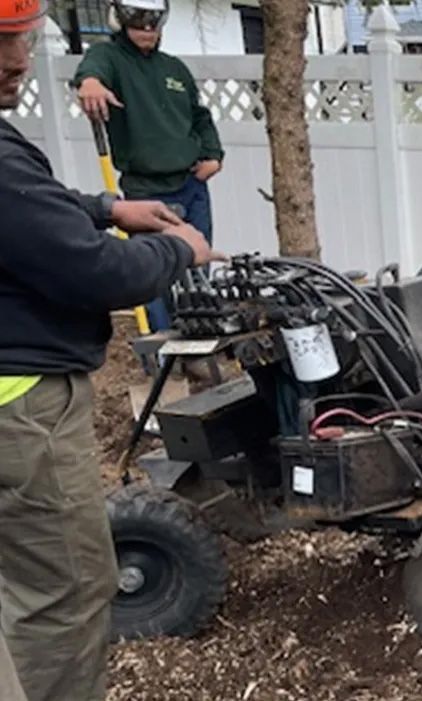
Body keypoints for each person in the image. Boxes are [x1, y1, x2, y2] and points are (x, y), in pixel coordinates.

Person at [0, 2, 221, 700]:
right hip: (21, 407)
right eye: (5, 42)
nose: (19, 59)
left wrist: (104, 209)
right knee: (65, 589)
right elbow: (97, 273)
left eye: (25, 39)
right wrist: (173, 248)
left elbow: (26, 208)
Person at [74, 0, 223, 330]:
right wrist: (90, 83)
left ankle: (199, 337)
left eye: (154, 20)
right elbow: (92, 71)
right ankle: (162, 350)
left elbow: (200, 117)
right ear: (120, 19)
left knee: (199, 265)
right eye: (138, 19)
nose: (147, 28)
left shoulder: (173, 69)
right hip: (146, 189)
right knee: (151, 271)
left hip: (191, 184)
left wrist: (214, 155)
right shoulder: (109, 58)